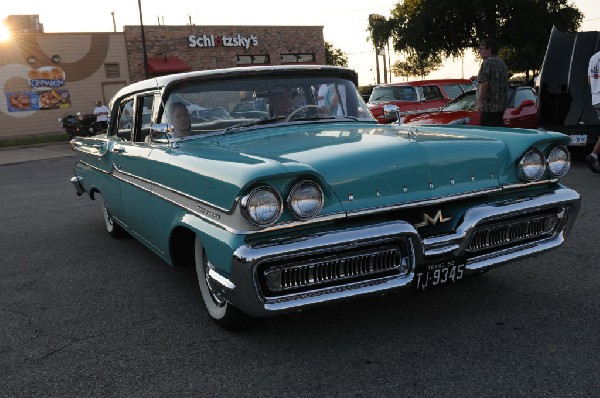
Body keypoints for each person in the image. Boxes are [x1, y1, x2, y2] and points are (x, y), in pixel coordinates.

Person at [476, 38, 509, 127]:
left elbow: (484, 84)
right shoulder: (502, 63)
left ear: (489, 49)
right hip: (501, 107)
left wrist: (480, 102)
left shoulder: (487, 63)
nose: (480, 51)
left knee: (488, 134)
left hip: (489, 108)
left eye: (482, 48)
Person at [584, 49, 600, 173]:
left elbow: (590, 80)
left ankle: (593, 156)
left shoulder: (593, 58)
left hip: (596, 99)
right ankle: (593, 155)